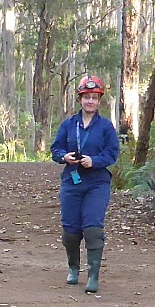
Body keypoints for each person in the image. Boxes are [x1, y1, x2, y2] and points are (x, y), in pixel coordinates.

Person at [50, 74, 120, 293]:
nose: (90, 101)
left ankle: (93, 276)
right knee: (71, 230)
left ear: (99, 101)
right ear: (80, 99)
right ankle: (73, 268)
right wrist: (65, 157)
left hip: (97, 183)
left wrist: (95, 161)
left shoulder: (106, 127)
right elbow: (55, 149)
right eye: (86, 97)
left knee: (92, 228)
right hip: (72, 181)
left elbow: (113, 153)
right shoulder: (69, 125)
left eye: (94, 97)